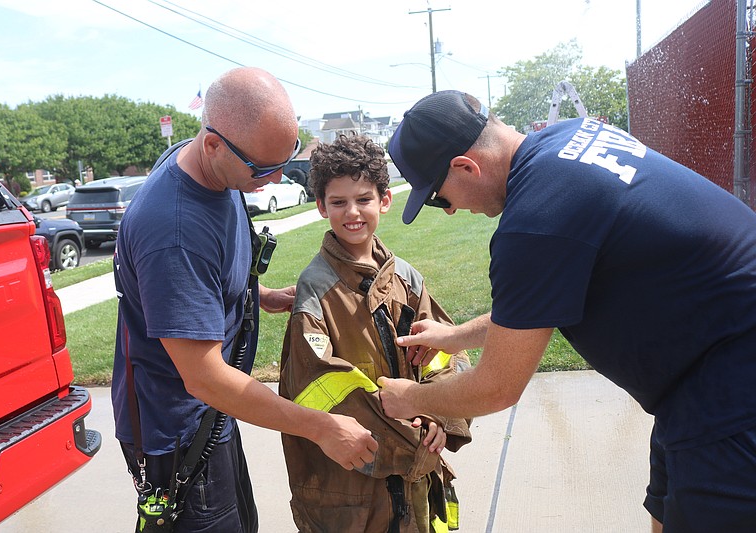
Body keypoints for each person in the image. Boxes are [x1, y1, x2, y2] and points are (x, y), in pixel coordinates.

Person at [379, 90, 756, 533]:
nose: (449, 211)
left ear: (466, 166)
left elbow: (496, 387)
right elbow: (542, 305)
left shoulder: (535, 221)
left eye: (439, 198)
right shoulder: (572, 138)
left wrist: (411, 399)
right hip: (703, 375)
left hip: (731, 393)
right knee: (664, 515)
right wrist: (455, 334)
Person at [111, 67, 377, 533]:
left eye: (286, 159)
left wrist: (263, 296)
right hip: (178, 434)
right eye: (262, 168)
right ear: (212, 143)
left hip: (215, 415)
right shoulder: (173, 231)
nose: (274, 179)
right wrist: (320, 427)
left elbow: (206, 281)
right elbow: (205, 379)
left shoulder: (217, 171)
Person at [279, 134, 472, 532]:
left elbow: (446, 353)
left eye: (364, 199)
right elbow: (319, 386)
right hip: (353, 491)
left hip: (417, 488)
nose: (352, 212)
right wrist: (414, 438)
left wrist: (437, 411)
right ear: (320, 207)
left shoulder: (408, 280)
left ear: (384, 200)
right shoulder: (315, 290)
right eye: (338, 202)